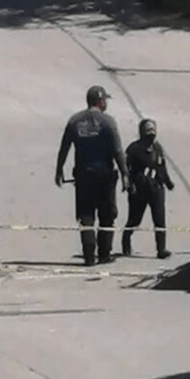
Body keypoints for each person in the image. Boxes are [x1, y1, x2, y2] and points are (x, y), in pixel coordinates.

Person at [55, 85, 131, 266]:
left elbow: (64, 147)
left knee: (86, 215)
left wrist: (59, 169)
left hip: (83, 176)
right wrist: (125, 174)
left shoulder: (75, 121)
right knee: (107, 215)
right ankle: (104, 254)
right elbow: (118, 151)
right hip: (105, 175)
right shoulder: (108, 122)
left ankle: (89, 256)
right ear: (100, 101)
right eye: (105, 100)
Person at [121, 119, 174, 259]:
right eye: (148, 129)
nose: (151, 132)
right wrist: (128, 184)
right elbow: (126, 169)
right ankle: (126, 240)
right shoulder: (133, 149)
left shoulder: (158, 148)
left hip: (156, 189)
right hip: (139, 190)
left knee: (159, 219)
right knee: (135, 219)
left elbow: (162, 167)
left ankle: (161, 249)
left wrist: (168, 183)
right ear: (141, 132)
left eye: (153, 129)